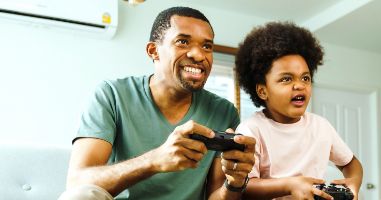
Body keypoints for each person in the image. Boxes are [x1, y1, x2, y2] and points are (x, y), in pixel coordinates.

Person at [59, 6, 255, 200]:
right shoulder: (112, 94)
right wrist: (155, 160)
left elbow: (216, 196)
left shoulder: (224, 111)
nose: (199, 55)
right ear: (153, 51)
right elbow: (77, 184)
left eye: (207, 46)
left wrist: (235, 182)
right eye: (183, 41)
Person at [234, 22, 363, 200]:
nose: (300, 85)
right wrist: (290, 185)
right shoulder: (251, 130)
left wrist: (354, 182)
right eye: (286, 79)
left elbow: (351, 163)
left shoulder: (321, 126)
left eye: (305, 78)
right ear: (262, 91)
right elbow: (245, 186)